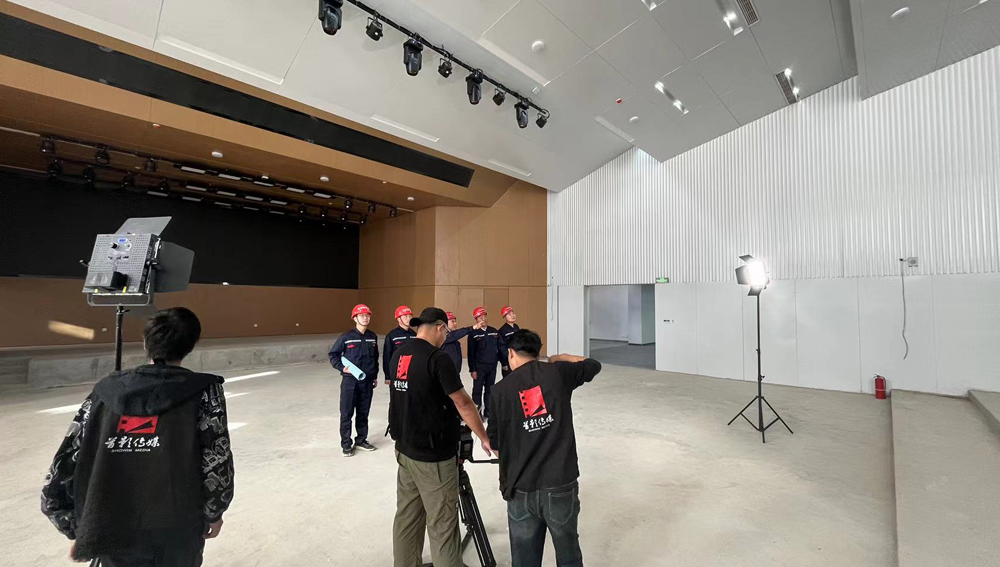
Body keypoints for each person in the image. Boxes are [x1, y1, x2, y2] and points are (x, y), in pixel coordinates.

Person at [41, 307, 234, 567]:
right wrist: (214, 513)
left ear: (145, 342)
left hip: (109, 524)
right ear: (191, 346)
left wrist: (76, 526)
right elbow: (216, 458)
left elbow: (67, 460)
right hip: (176, 527)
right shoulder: (204, 391)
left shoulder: (105, 391)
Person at [487, 329, 602, 567]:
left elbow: (496, 446)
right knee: (569, 555)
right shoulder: (559, 373)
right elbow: (593, 365)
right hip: (559, 482)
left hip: (520, 486)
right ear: (538, 352)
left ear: (511, 353)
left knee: (524, 559)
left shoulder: (500, 391)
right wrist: (562, 357)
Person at [388, 307, 493, 567]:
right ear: (439, 327)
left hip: (404, 449)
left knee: (407, 517)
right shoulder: (438, 358)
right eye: (446, 331)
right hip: (432, 456)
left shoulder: (400, 353)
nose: (446, 336)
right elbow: (463, 403)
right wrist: (484, 437)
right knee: (443, 523)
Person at [329, 304, 380, 457]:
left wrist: (374, 376)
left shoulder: (372, 336)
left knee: (363, 412)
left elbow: (375, 358)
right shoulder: (346, 337)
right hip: (350, 382)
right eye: (361, 315)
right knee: (347, 413)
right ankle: (346, 444)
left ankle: (361, 440)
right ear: (355, 318)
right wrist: (341, 368)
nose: (365, 318)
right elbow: (333, 354)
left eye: (367, 315)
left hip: (367, 381)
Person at [467, 306, 505, 420]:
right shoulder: (473, 334)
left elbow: (500, 348)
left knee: (490, 389)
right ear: (476, 319)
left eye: (484, 316)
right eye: (480, 317)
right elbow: (470, 353)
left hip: (492, 366)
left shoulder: (494, 331)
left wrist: (503, 362)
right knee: (477, 390)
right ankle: (477, 413)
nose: (483, 319)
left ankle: (488, 411)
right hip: (479, 367)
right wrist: (472, 369)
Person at [383, 305, 416, 385]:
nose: (408, 319)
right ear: (398, 319)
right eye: (405, 316)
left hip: (412, 372)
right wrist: (388, 376)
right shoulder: (392, 336)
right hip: (397, 372)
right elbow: (387, 357)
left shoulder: (414, 334)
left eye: (410, 316)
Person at [497, 305, 520, 377]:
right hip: (508, 360)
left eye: (513, 313)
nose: (512, 316)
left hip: (517, 358)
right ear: (505, 317)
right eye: (509, 314)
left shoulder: (516, 327)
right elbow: (501, 348)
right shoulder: (502, 330)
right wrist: (504, 363)